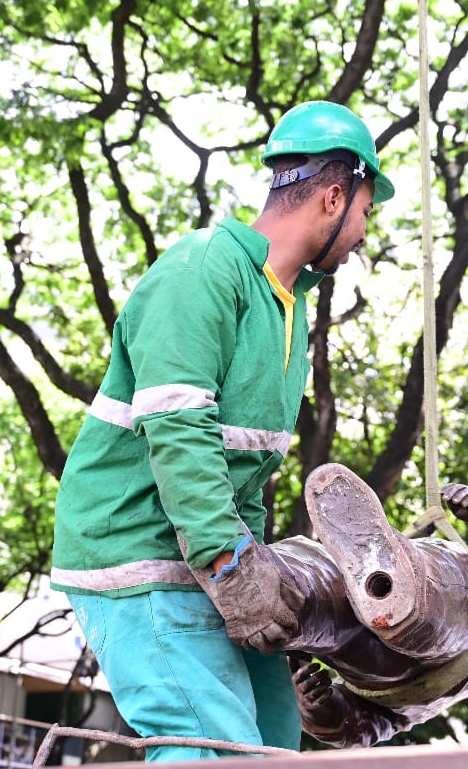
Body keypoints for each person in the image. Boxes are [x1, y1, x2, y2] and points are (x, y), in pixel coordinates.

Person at [50, 101, 395, 762]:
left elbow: (245, 473)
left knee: (273, 740)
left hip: (211, 555)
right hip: (140, 558)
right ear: (332, 197)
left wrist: (258, 571)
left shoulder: (286, 307)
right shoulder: (204, 266)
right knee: (208, 747)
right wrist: (232, 568)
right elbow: (179, 428)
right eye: (363, 213)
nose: (361, 233)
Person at [272, 463, 468, 748]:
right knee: (434, 620)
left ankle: (277, 583)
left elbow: (350, 731)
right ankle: (395, 592)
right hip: (458, 604)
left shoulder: (396, 712)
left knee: (316, 598)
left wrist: (314, 707)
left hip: (374, 665)